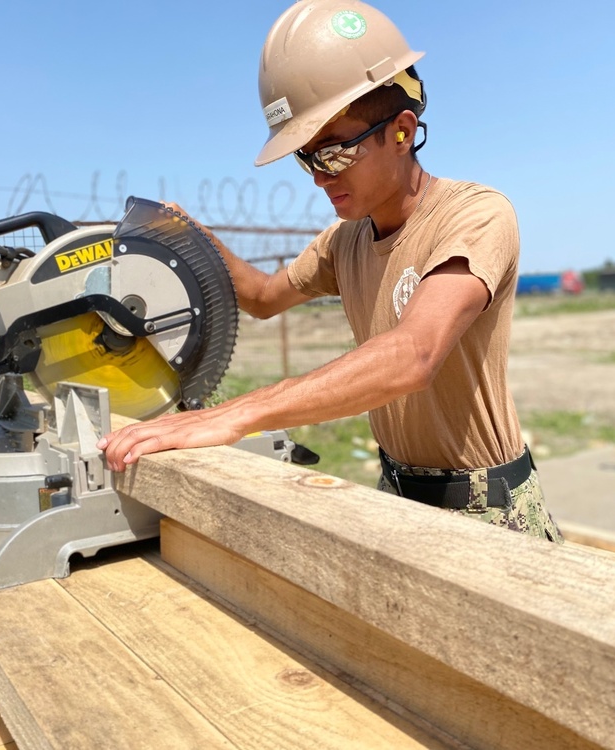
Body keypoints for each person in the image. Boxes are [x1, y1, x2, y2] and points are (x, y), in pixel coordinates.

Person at [99, 0, 562, 541]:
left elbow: (413, 355)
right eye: (307, 158)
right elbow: (264, 297)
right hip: (399, 497)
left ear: (402, 131)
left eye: (335, 153)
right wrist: (190, 234)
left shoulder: (475, 215)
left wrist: (236, 415)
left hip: (488, 510)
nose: (320, 178)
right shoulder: (346, 241)